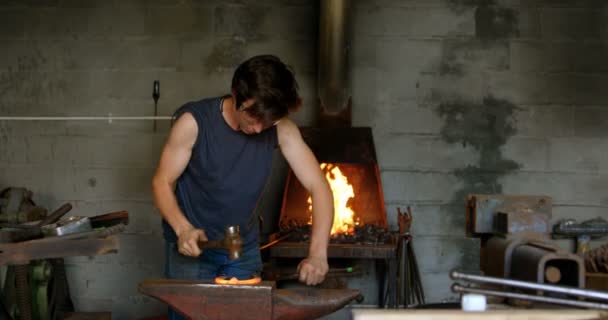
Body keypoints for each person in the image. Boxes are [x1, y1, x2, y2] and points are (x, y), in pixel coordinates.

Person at [152, 55, 334, 319]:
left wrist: (318, 254)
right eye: (253, 116)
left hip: (242, 250)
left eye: (267, 122)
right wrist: (183, 229)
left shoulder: (281, 129)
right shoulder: (194, 122)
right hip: (193, 250)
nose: (259, 128)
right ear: (236, 93)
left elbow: (319, 187)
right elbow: (162, 181)